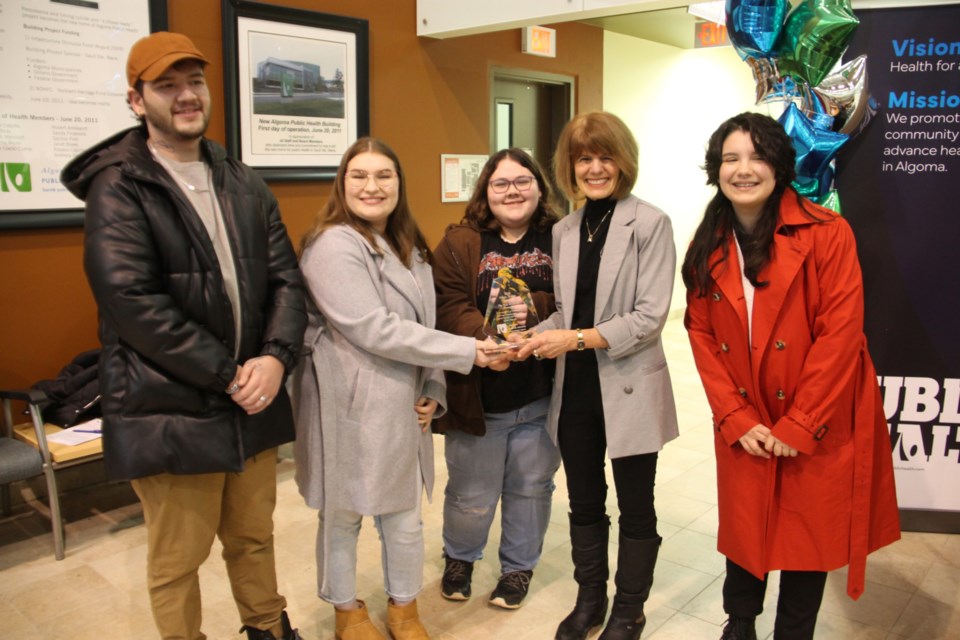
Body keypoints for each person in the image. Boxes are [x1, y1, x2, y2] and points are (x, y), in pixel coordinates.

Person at [61, 32, 307, 640]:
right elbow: (131, 303)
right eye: (166, 85)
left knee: (253, 537)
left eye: (193, 81)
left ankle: (268, 629)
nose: (186, 95)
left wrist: (275, 360)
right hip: (169, 403)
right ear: (137, 100)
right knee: (179, 558)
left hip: (252, 398)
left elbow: (286, 281)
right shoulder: (118, 185)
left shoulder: (242, 180)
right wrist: (230, 375)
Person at [681, 112, 900, 640]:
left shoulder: (827, 233)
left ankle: (793, 632)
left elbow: (841, 335)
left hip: (816, 417)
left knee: (808, 533)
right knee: (746, 528)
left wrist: (799, 422)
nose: (743, 169)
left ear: (779, 164)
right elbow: (701, 335)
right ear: (716, 169)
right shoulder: (708, 241)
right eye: (730, 158)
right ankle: (739, 625)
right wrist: (735, 416)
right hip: (747, 416)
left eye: (756, 156)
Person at [293, 137, 505, 640]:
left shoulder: (408, 243)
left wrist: (435, 382)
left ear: (398, 184)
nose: (372, 186)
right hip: (348, 404)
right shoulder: (333, 244)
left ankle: (405, 608)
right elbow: (373, 328)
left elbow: (424, 320)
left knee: (405, 520)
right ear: (342, 184)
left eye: (384, 175)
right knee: (343, 515)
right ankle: (346, 610)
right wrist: (468, 352)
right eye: (359, 176)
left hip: (403, 405)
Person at [518, 111, 679, 640]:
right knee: (584, 502)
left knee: (636, 505)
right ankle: (591, 600)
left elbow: (649, 318)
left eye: (605, 156)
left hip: (628, 384)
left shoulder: (650, 223)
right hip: (577, 391)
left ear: (623, 160)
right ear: (570, 166)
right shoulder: (565, 229)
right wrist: (533, 336)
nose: (594, 167)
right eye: (584, 157)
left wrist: (576, 338)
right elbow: (569, 310)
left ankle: (629, 610)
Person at [432, 148, 562, 609]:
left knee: (531, 489)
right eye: (501, 183)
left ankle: (517, 570)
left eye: (523, 180)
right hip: (479, 395)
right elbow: (449, 305)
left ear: (539, 187)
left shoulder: (559, 238)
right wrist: (490, 345)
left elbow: (575, 302)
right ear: (485, 191)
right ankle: (461, 558)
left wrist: (534, 320)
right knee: (471, 493)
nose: (513, 191)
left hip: (544, 394)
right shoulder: (460, 243)